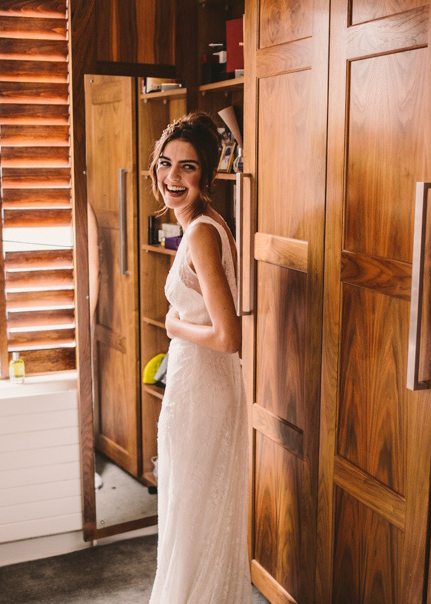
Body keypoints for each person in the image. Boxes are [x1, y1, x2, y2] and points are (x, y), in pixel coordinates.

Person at [147, 113, 250, 603]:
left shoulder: (203, 233)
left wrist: (173, 326)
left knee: (193, 507)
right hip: (200, 384)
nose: (172, 177)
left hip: (203, 390)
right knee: (191, 507)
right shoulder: (199, 226)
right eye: (166, 164)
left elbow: (229, 336)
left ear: (206, 175)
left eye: (186, 168)